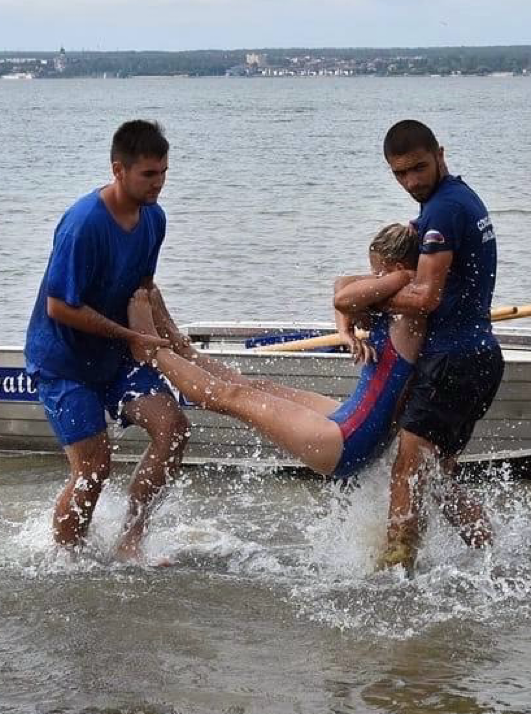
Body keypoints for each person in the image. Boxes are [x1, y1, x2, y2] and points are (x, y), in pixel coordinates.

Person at [125, 223, 424, 480]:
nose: (373, 278)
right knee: (256, 386)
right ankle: (180, 346)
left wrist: (399, 279)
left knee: (230, 396)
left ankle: (150, 348)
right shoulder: (400, 301)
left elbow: (343, 299)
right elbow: (342, 284)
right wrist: (345, 331)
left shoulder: (411, 314)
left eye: (378, 272)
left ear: (399, 270)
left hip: (347, 442)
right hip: (353, 419)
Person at [25, 119, 188, 561]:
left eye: (164, 172)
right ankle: (66, 560)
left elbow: (145, 288)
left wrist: (173, 337)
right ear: (119, 170)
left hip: (114, 357)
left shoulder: (154, 218)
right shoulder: (84, 225)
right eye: (148, 174)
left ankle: (131, 540)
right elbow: (60, 306)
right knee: (94, 470)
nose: (159, 183)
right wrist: (132, 335)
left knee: (173, 430)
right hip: (63, 363)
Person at [377, 120, 503, 570]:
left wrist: (372, 299)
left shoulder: (444, 210)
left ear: (440, 155)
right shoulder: (460, 199)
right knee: (435, 479)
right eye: (400, 173)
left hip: (453, 360)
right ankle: (492, 560)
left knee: (408, 471)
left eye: (419, 168)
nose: (411, 181)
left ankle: (394, 573)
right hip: (479, 357)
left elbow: (426, 297)